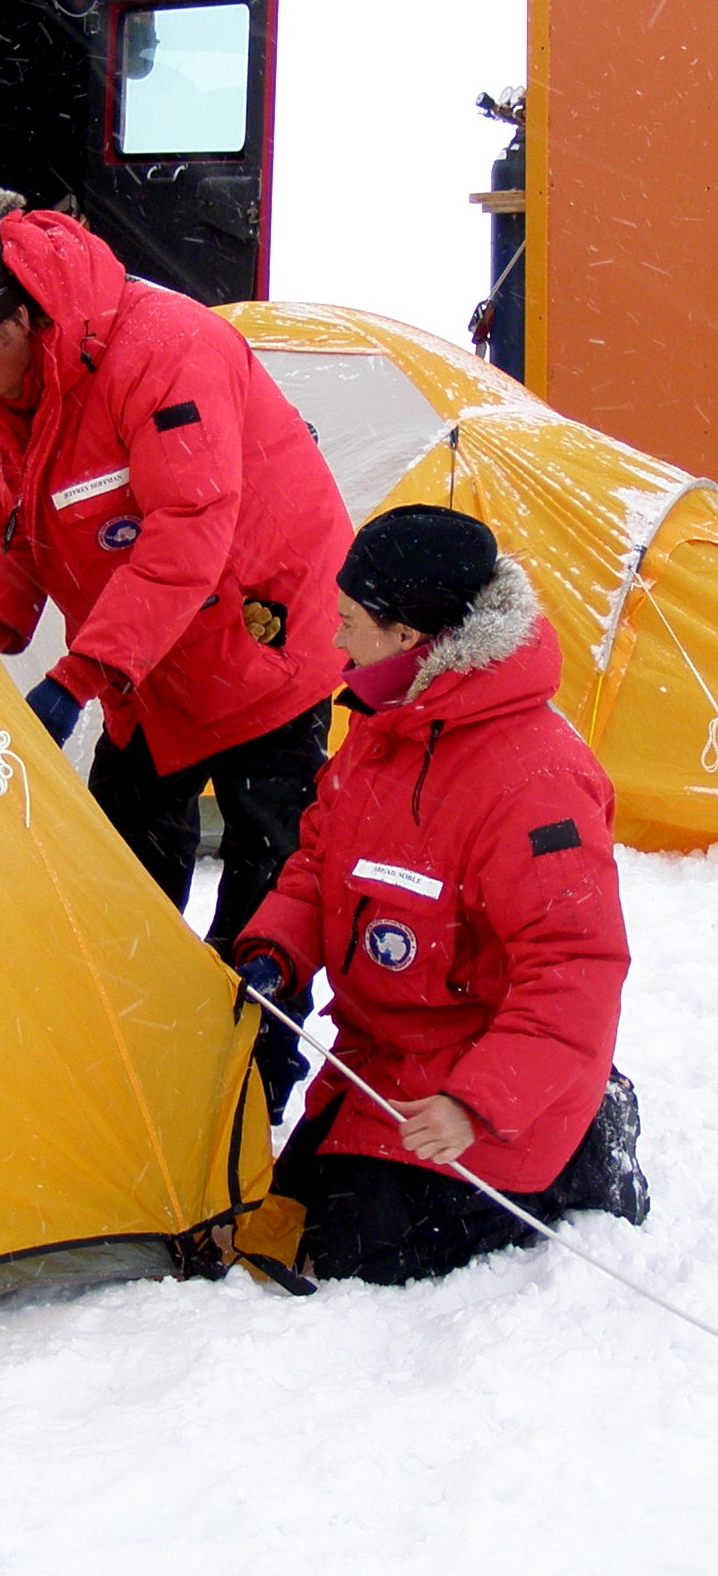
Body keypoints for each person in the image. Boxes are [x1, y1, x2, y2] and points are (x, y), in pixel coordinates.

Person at [0, 194, 355, 1002]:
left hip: (264, 645)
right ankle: (138, 1030)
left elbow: (187, 531)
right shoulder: (1, 397)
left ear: (17, 319)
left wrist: (78, 677)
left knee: (267, 904)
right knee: (117, 886)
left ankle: (255, 1060)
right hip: (147, 663)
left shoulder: (164, 348)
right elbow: (11, 529)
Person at [232, 505, 648, 1286]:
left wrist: (477, 1103)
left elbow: (577, 971)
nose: (334, 640)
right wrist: (275, 951)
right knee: (280, 1225)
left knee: (358, 1261)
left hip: (480, 1090)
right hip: (383, 1059)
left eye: (348, 621)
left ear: (405, 635)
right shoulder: (390, 722)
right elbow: (322, 860)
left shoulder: (536, 783)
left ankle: (587, 1143)